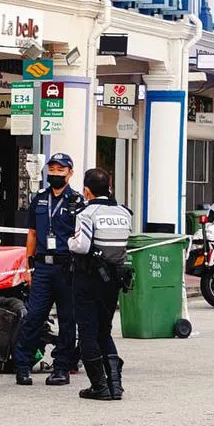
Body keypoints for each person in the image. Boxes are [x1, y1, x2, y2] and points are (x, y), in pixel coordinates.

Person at [14, 153, 84, 387]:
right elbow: (32, 233)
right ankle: (23, 366)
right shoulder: (40, 199)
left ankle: (61, 367)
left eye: (60, 170)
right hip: (43, 267)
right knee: (34, 317)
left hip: (67, 267)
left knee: (68, 319)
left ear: (70, 173)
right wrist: (27, 265)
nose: (55, 173)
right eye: (51, 169)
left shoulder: (77, 201)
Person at [69, 167, 133, 401]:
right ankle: (115, 386)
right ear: (110, 186)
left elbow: (82, 246)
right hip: (114, 280)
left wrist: (69, 242)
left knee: (87, 332)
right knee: (104, 331)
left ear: (86, 191)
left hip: (89, 278)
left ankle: (99, 386)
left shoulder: (87, 213)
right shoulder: (124, 213)